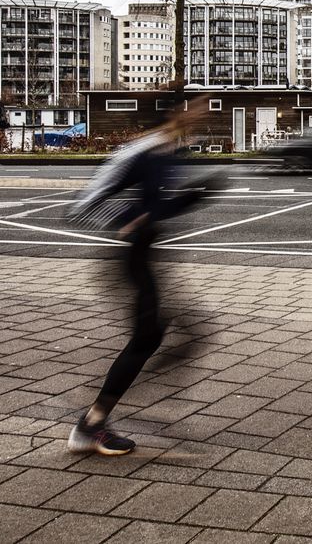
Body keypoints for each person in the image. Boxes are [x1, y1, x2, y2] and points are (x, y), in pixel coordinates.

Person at [66, 96, 214, 455]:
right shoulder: (141, 151)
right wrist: (126, 222)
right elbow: (86, 202)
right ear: (175, 112)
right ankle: (92, 423)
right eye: (196, 106)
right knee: (148, 338)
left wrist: (198, 195)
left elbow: (159, 207)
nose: (203, 112)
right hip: (128, 259)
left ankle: (107, 410)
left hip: (149, 258)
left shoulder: (174, 151)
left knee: (177, 335)